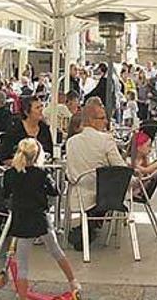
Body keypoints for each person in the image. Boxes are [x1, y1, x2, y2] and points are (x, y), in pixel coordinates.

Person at [3, 139, 81, 298]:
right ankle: (73, 281)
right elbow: (55, 192)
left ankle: (23, 296)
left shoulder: (9, 173)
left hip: (21, 219)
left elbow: (5, 194)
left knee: (23, 264)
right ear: (38, 155)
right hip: (40, 218)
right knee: (56, 251)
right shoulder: (42, 174)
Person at [65, 97, 125, 249]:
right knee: (123, 182)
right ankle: (91, 227)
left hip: (77, 196)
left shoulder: (70, 142)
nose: (106, 122)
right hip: (103, 197)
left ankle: (85, 229)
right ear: (91, 120)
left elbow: (70, 174)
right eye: (102, 118)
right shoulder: (106, 140)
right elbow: (121, 169)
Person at [0, 96, 53, 164]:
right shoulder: (15, 129)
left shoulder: (44, 128)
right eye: (37, 108)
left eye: (41, 106)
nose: (41, 109)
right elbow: (3, 156)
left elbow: (50, 152)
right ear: (26, 112)